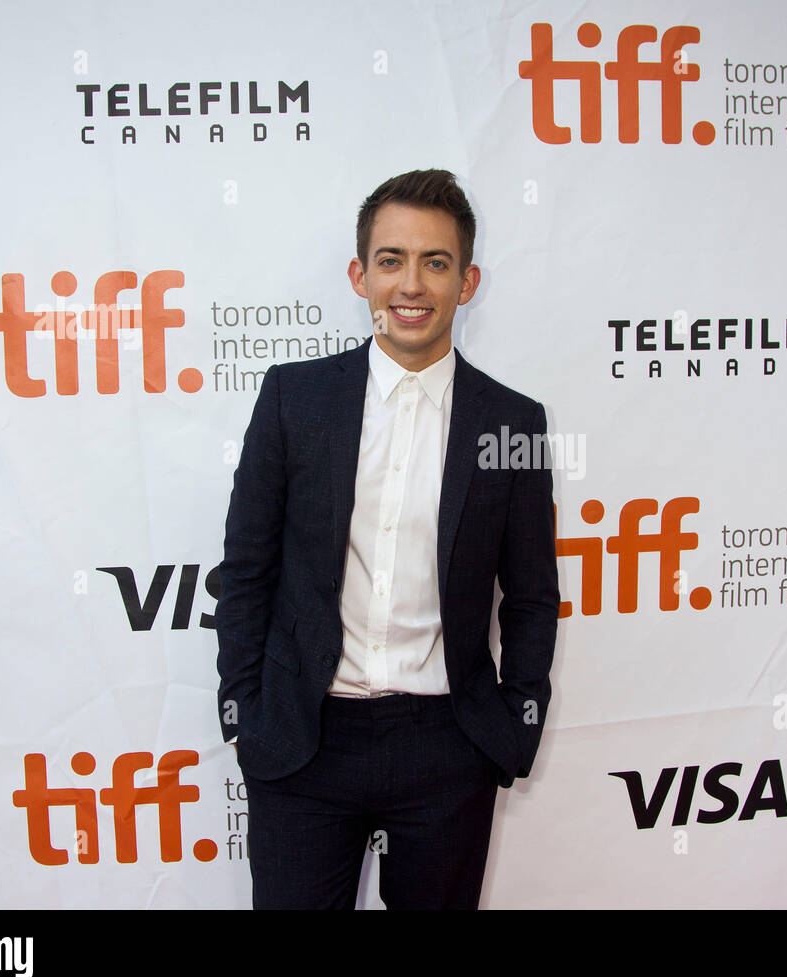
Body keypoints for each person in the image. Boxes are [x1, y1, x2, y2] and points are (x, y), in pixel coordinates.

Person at [215, 168, 559, 909]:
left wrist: (511, 727)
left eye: (436, 262)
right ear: (359, 275)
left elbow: (532, 596)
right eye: (391, 259)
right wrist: (246, 711)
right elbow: (244, 570)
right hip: (304, 741)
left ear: (466, 283)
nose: (412, 284)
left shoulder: (512, 423)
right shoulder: (292, 398)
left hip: (447, 744)